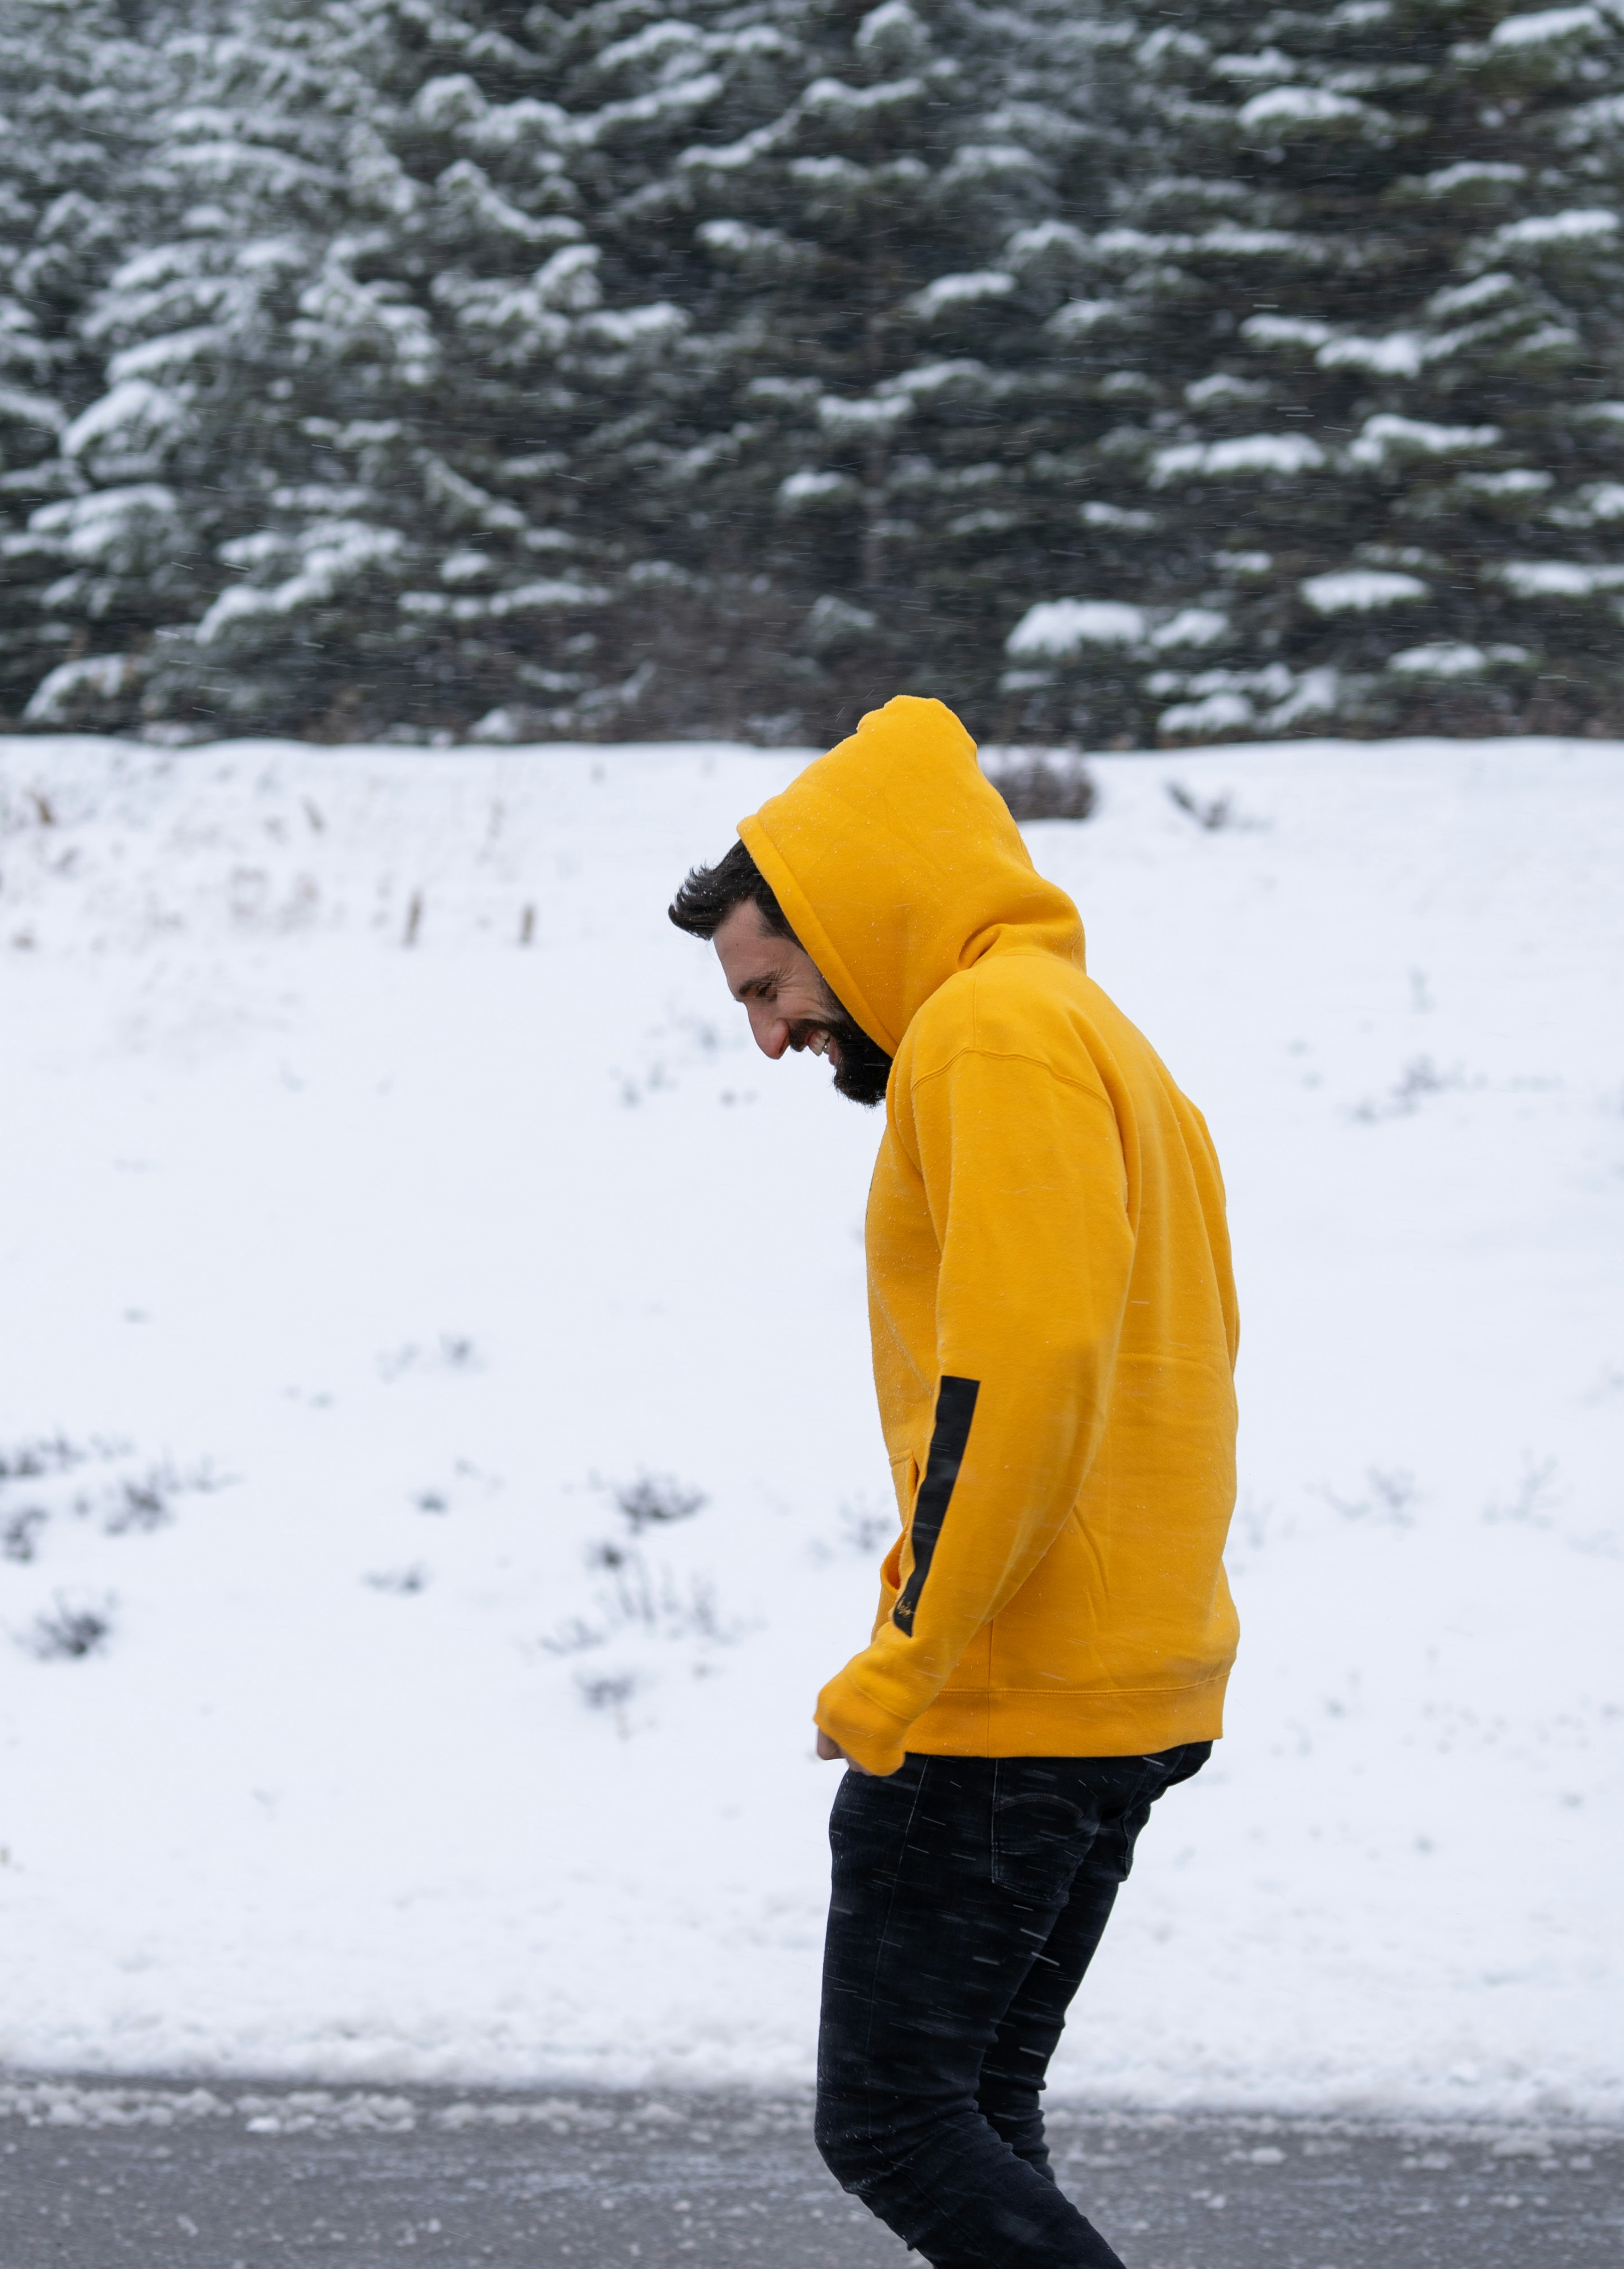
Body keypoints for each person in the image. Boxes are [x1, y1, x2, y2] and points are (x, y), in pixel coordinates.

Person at [665, 695, 1242, 2269]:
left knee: (894, 2122)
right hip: (1112, 1679)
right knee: (977, 2108)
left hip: (1009, 1692)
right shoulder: (1095, 1038)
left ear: (853, 917)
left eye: (772, 983)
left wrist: (908, 1663)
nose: (772, 1033)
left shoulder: (994, 1038)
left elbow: (1020, 1376)